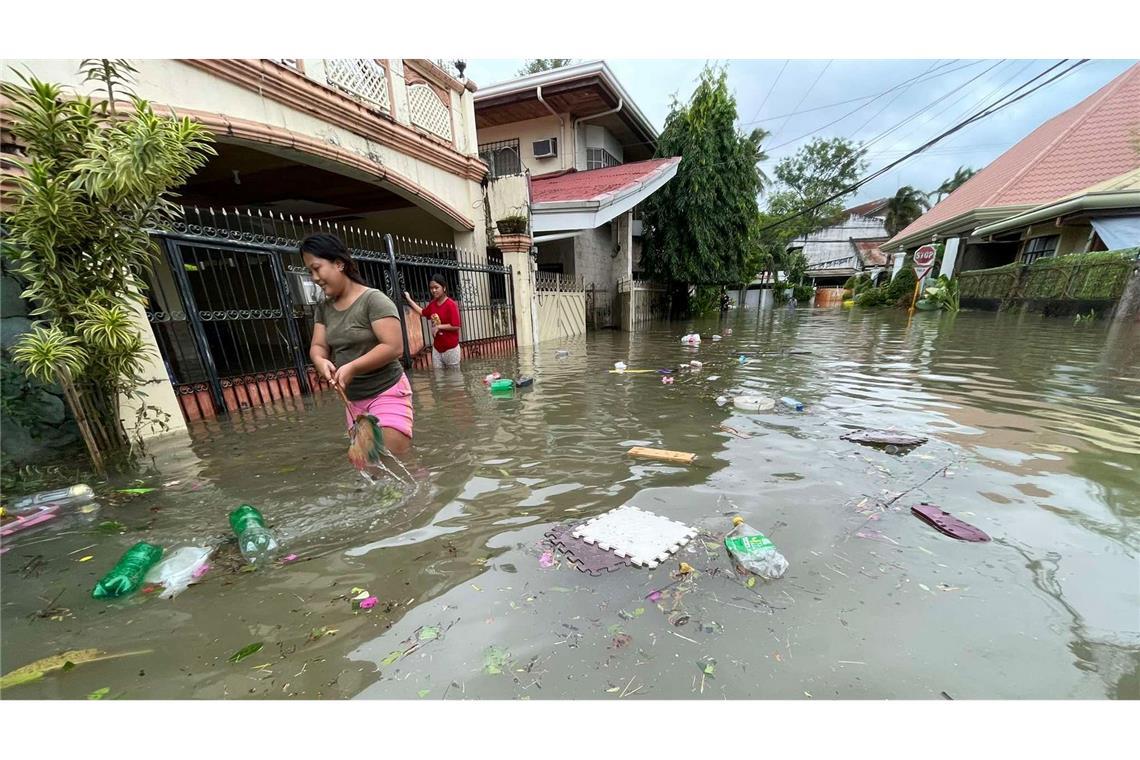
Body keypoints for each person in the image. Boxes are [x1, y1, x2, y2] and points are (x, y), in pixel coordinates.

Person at [303, 233, 412, 455]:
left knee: (393, 463)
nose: (314, 277)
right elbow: (318, 346)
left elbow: (394, 347)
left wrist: (353, 367)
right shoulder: (324, 308)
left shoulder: (373, 300)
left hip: (387, 392)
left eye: (317, 268)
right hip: (353, 401)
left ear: (338, 264)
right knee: (368, 468)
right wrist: (320, 361)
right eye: (310, 271)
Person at [404, 275, 462, 368]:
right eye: (431, 288)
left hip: (451, 348)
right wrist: (409, 300)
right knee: (438, 377)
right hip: (437, 348)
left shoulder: (451, 304)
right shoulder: (432, 304)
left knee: (453, 378)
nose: (433, 290)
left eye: (436, 287)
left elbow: (456, 326)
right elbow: (422, 312)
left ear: (444, 288)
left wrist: (439, 327)